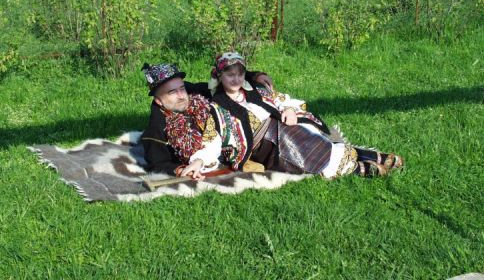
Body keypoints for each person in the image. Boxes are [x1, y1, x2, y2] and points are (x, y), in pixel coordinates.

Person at [207, 52, 404, 178]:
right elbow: (214, 139)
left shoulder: (253, 88)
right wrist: (201, 160)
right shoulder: (217, 106)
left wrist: (289, 109)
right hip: (264, 144)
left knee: (303, 131)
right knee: (296, 143)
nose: (236, 79)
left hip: (279, 124)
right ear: (219, 76)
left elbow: (279, 99)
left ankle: (358, 156)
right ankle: (353, 167)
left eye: (240, 74)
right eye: (230, 75)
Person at [140, 63, 273, 178]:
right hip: (242, 147)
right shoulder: (157, 128)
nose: (181, 96)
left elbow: (225, 78)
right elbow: (158, 163)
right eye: (172, 92)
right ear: (159, 101)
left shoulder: (195, 94)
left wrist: (255, 76)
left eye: (182, 88)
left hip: (257, 128)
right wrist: (182, 170)